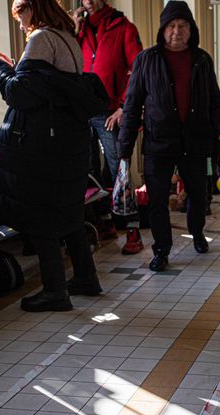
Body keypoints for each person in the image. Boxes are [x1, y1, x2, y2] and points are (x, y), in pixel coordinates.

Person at [0, 0, 108, 312]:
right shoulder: (68, 37)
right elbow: (45, 87)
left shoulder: (42, 38)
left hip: (45, 144)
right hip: (69, 140)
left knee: (41, 217)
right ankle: (86, 278)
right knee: (69, 213)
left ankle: (55, 291)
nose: (21, 25)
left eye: (21, 16)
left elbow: (19, 94)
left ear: (34, 8)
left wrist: (1, 68)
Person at [117, 1, 220, 272]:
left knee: (199, 195)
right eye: (172, 26)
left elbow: (214, 102)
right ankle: (161, 250)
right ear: (163, 30)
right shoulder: (146, 60)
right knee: (157, 201)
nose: (177, 31)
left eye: (183, 25)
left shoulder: (202, 59)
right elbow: (131, 106)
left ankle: (197, 232)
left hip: (195, 142)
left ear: (191, 29)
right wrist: (124, 149)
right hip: (158, 144)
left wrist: (215, 141)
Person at [71, 0, 145, 255]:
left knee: (119, 169)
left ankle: (133, 229)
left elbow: (138, 71)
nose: (89, 2)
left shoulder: (124, 28)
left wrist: (124, 107)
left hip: (110, 112)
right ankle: (104, 222)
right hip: (82, 112)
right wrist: (74, 31)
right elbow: (68, 66)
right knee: (89, 170)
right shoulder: (79, 30)